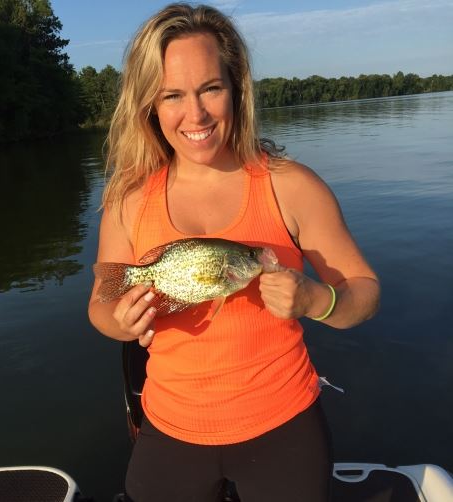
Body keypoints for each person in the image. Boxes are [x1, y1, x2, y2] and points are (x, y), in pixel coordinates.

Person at [88, 3, 380, 501]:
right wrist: (123, 322)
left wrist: (316, 301)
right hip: (170, 428)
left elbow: (364, 293)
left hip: (284, 425)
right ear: (149, 106)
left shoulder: (291, 186)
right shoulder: (128, 198)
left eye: (211, 88)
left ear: (236, 88)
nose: (195, 114)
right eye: (172, 95)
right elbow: (100, 304)